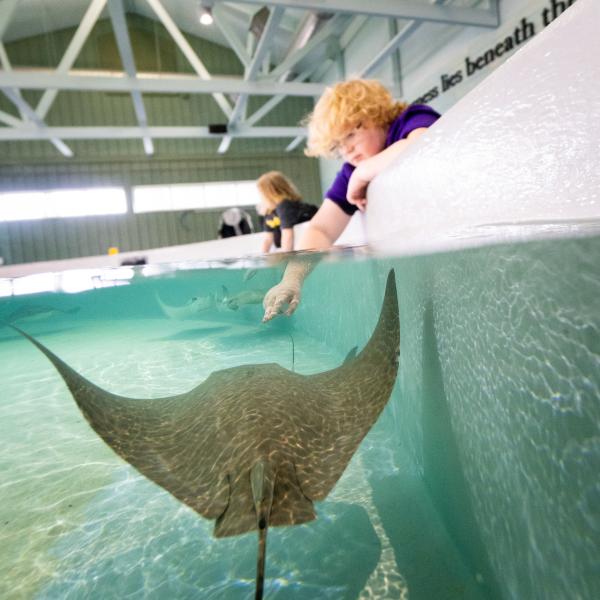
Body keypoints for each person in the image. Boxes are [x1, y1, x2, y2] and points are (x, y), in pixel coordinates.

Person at [262, 78, 441, 322]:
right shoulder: (351, 170)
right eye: (337, 146)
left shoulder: (410, 119)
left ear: (375, 114)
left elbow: (427, 143)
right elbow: (321, 228)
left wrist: (364, 171)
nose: (346, 151)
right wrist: (292, 278)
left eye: (350, 135)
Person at [256, 171, 318, 253]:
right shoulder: (269, 212)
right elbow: (268, 239)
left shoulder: (285, 206)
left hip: (312, 239)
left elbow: (288, 235)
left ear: (271, 193)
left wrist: (286, 257)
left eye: (262, 193)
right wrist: (263, 256)